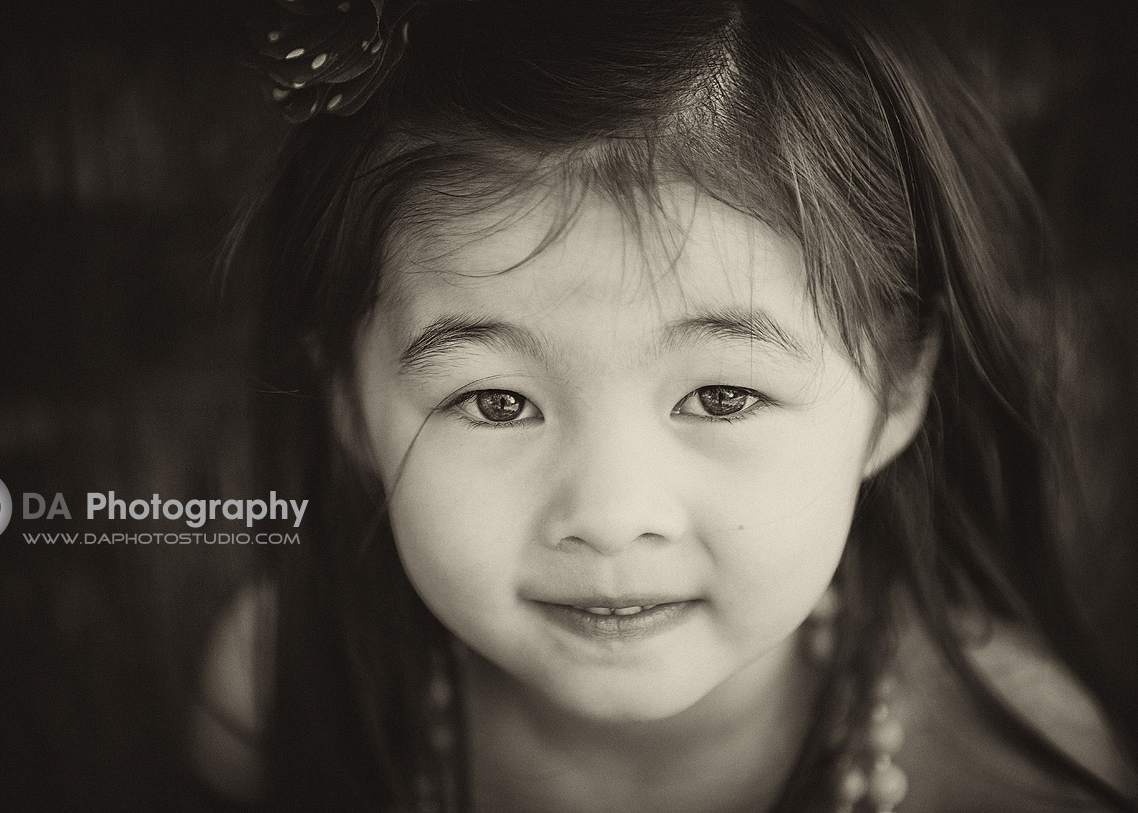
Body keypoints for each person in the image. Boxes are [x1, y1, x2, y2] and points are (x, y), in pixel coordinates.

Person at [191, 0, 1138, 810]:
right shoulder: (284, 691)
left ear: (895, 388)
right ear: (351, 407)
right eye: (493, 401)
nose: (607, 519)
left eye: (723, 394)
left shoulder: (1010, 764)